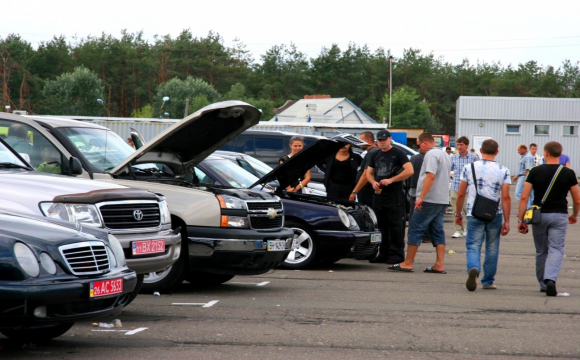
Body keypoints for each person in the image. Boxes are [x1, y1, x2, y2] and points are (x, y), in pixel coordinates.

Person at [518, 141, 580, 296]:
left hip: (539, 215)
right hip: (559, 215)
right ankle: (550, 279)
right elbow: (577, 199)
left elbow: (524, 197)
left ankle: (543, 284)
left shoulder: (534, 171)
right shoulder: (568, 173)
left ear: (545, 153)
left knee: (541, 251)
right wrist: (574, 214)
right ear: (560, 154)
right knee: (556, 248)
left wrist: (521, 220)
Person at [388, 132, 450, 273]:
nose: (418, 148)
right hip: (441, 199)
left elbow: (430, 176)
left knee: (415, 228)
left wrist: (421, 197)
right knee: (437, 231)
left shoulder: (431, 155)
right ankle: (439, 264)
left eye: (418, 144)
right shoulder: (445, 155)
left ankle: (408, 262)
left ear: (424, 142)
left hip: (429, 199)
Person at [455, 139, 511, 291]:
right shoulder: (504, 170)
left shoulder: (469, 167)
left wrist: (458, 213)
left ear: (480, 151)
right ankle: (488, 281)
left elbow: (461, 194)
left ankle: (473, 268)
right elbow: (506, 198)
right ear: (497, 152)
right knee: (492, 248)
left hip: (474, 212)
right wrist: (507, 221)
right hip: (495, 214)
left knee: (473, 245)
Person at [366, 129, 413, 264]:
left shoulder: (398, 153)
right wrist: (373, 182)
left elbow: (410, 170)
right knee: (381, 226)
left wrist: (392, 180)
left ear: (390, 139)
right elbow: (369, 173)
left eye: (384, 140)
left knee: (396, 226)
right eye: (379, 140)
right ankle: (383, 253)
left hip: (394, 194)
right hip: (379, 195)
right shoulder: (375, 154)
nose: (381, 142)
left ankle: (397, 255)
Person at [449, 136, 478, 238]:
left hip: (468, 187)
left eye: (461, 144)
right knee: (456, 209)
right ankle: (458, 230)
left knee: (467, 209)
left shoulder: (473, 157)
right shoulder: (453, 157)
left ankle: (467, 228)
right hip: (456, 185)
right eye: (458, 144)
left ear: (467, 145)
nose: (459, 146)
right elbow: (450, 169)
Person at [409, 147, 431, 243]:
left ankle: (412, 233)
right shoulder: (429, 159)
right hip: (425, 189)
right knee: (425, 213)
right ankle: (425, 236)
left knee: (413, 213)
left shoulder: (413, 158)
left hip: (413, 188)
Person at [350, 131, 378, 205]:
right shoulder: (373, 152)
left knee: (366, 211)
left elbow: (366, 174)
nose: (359, 143)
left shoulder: (371, 153)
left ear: (368, 140)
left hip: (366, 189)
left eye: (361, 140)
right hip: (368, 189)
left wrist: (354, 191)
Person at [513, 144, 535, 209]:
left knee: (518, 193)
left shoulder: (527, 157)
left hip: (524, 177)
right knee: (530, 196)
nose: (518, 151)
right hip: (522, 176)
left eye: (519, 150)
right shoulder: (524, 156)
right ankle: (530, 209)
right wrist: (517, 176)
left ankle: (527, 209)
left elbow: (528, 169)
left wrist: (526, 181)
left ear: (523, 149)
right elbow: (522, 168)